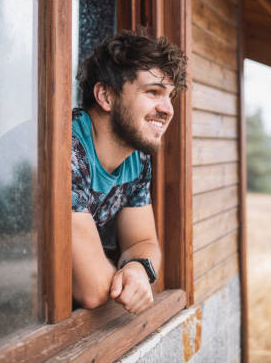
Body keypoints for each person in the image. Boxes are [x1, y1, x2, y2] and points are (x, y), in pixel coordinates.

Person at [71, 29, 187, 313]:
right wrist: (120, 275)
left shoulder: (137, 158)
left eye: (170, 96)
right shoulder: (67, 147)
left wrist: (137, 268)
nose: (168, 109)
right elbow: (93, 289)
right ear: (105, 96)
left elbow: (143, 241)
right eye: (153, 92)